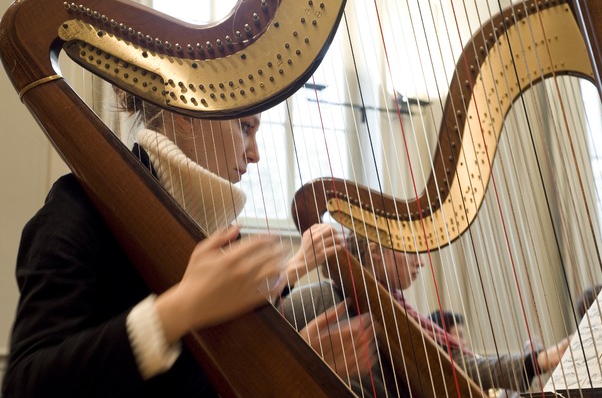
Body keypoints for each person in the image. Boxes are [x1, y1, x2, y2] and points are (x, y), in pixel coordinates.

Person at [1, 92, 346, 397]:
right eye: (245, 128)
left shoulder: (220, 232)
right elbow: (25, 384)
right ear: (185, 115)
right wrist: (177, 309)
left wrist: (284, 370)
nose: (255, 154)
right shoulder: (81, 206)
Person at [278, 234, 570, 397]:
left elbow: (452, 368)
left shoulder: (400, 313)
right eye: (409, 251)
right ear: (376, 251)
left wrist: (538, 361)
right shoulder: (320, 299)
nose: (420, 262)